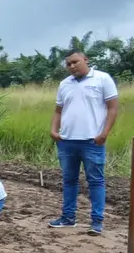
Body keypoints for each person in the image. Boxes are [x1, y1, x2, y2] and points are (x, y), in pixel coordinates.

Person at [49, 50, 119, 235]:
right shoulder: (64, 84)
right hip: (67, 141)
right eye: (68, 64)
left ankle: (96, 222)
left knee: (95, 181)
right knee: (69, 180)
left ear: (85, 60)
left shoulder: (103, 79)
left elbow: (112, 108)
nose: (72, 66)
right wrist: (54, 131)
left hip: (92, 141)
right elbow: (58, 110)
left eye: (75, 62)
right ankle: (68, 218)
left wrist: (104, 133)